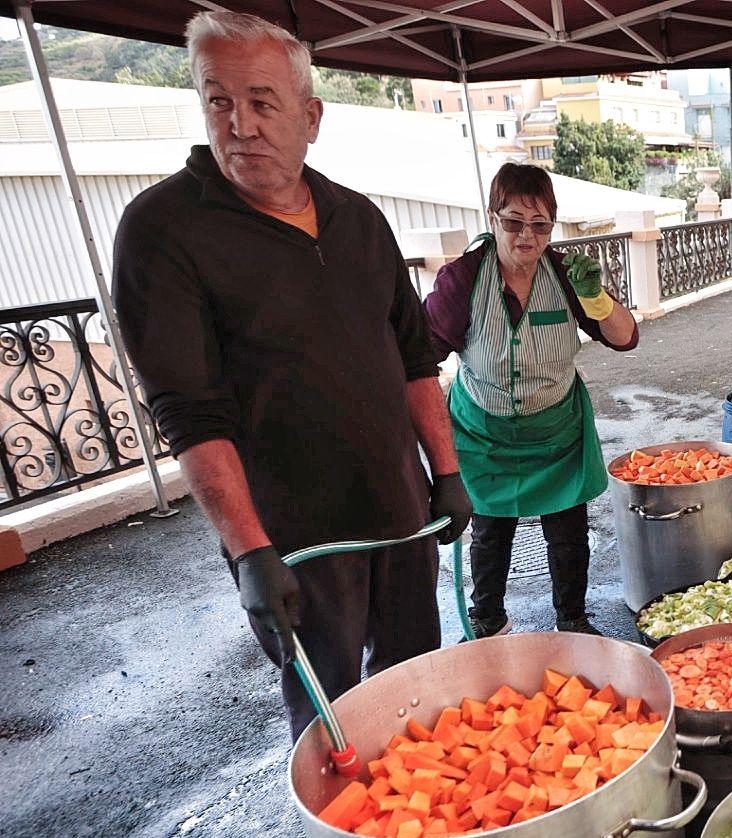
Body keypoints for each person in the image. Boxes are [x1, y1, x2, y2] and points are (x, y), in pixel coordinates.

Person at [112, 12, 472, 743]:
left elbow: (413, 363)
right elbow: (189, 413)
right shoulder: (161, 231)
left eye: (262, 102)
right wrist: (249, 549)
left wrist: (447, 471)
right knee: (329, 711)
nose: (240, 124)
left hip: (399, 513)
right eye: (219, 100)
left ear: (310, 117)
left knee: (417, 688)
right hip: (297, 539)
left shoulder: (359, 220)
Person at [424, 163, 638, 639]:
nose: (527, 236)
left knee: (567, 532)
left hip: (556, 428)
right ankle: (487, 620)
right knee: (489, 532)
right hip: (483, 429)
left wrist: (596, 298)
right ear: (492, 217)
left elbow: (625, 339)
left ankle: (573, 620)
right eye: (514, 221)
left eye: (540, 225)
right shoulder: (461, 281)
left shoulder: (565, 275)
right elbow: (419, 360)